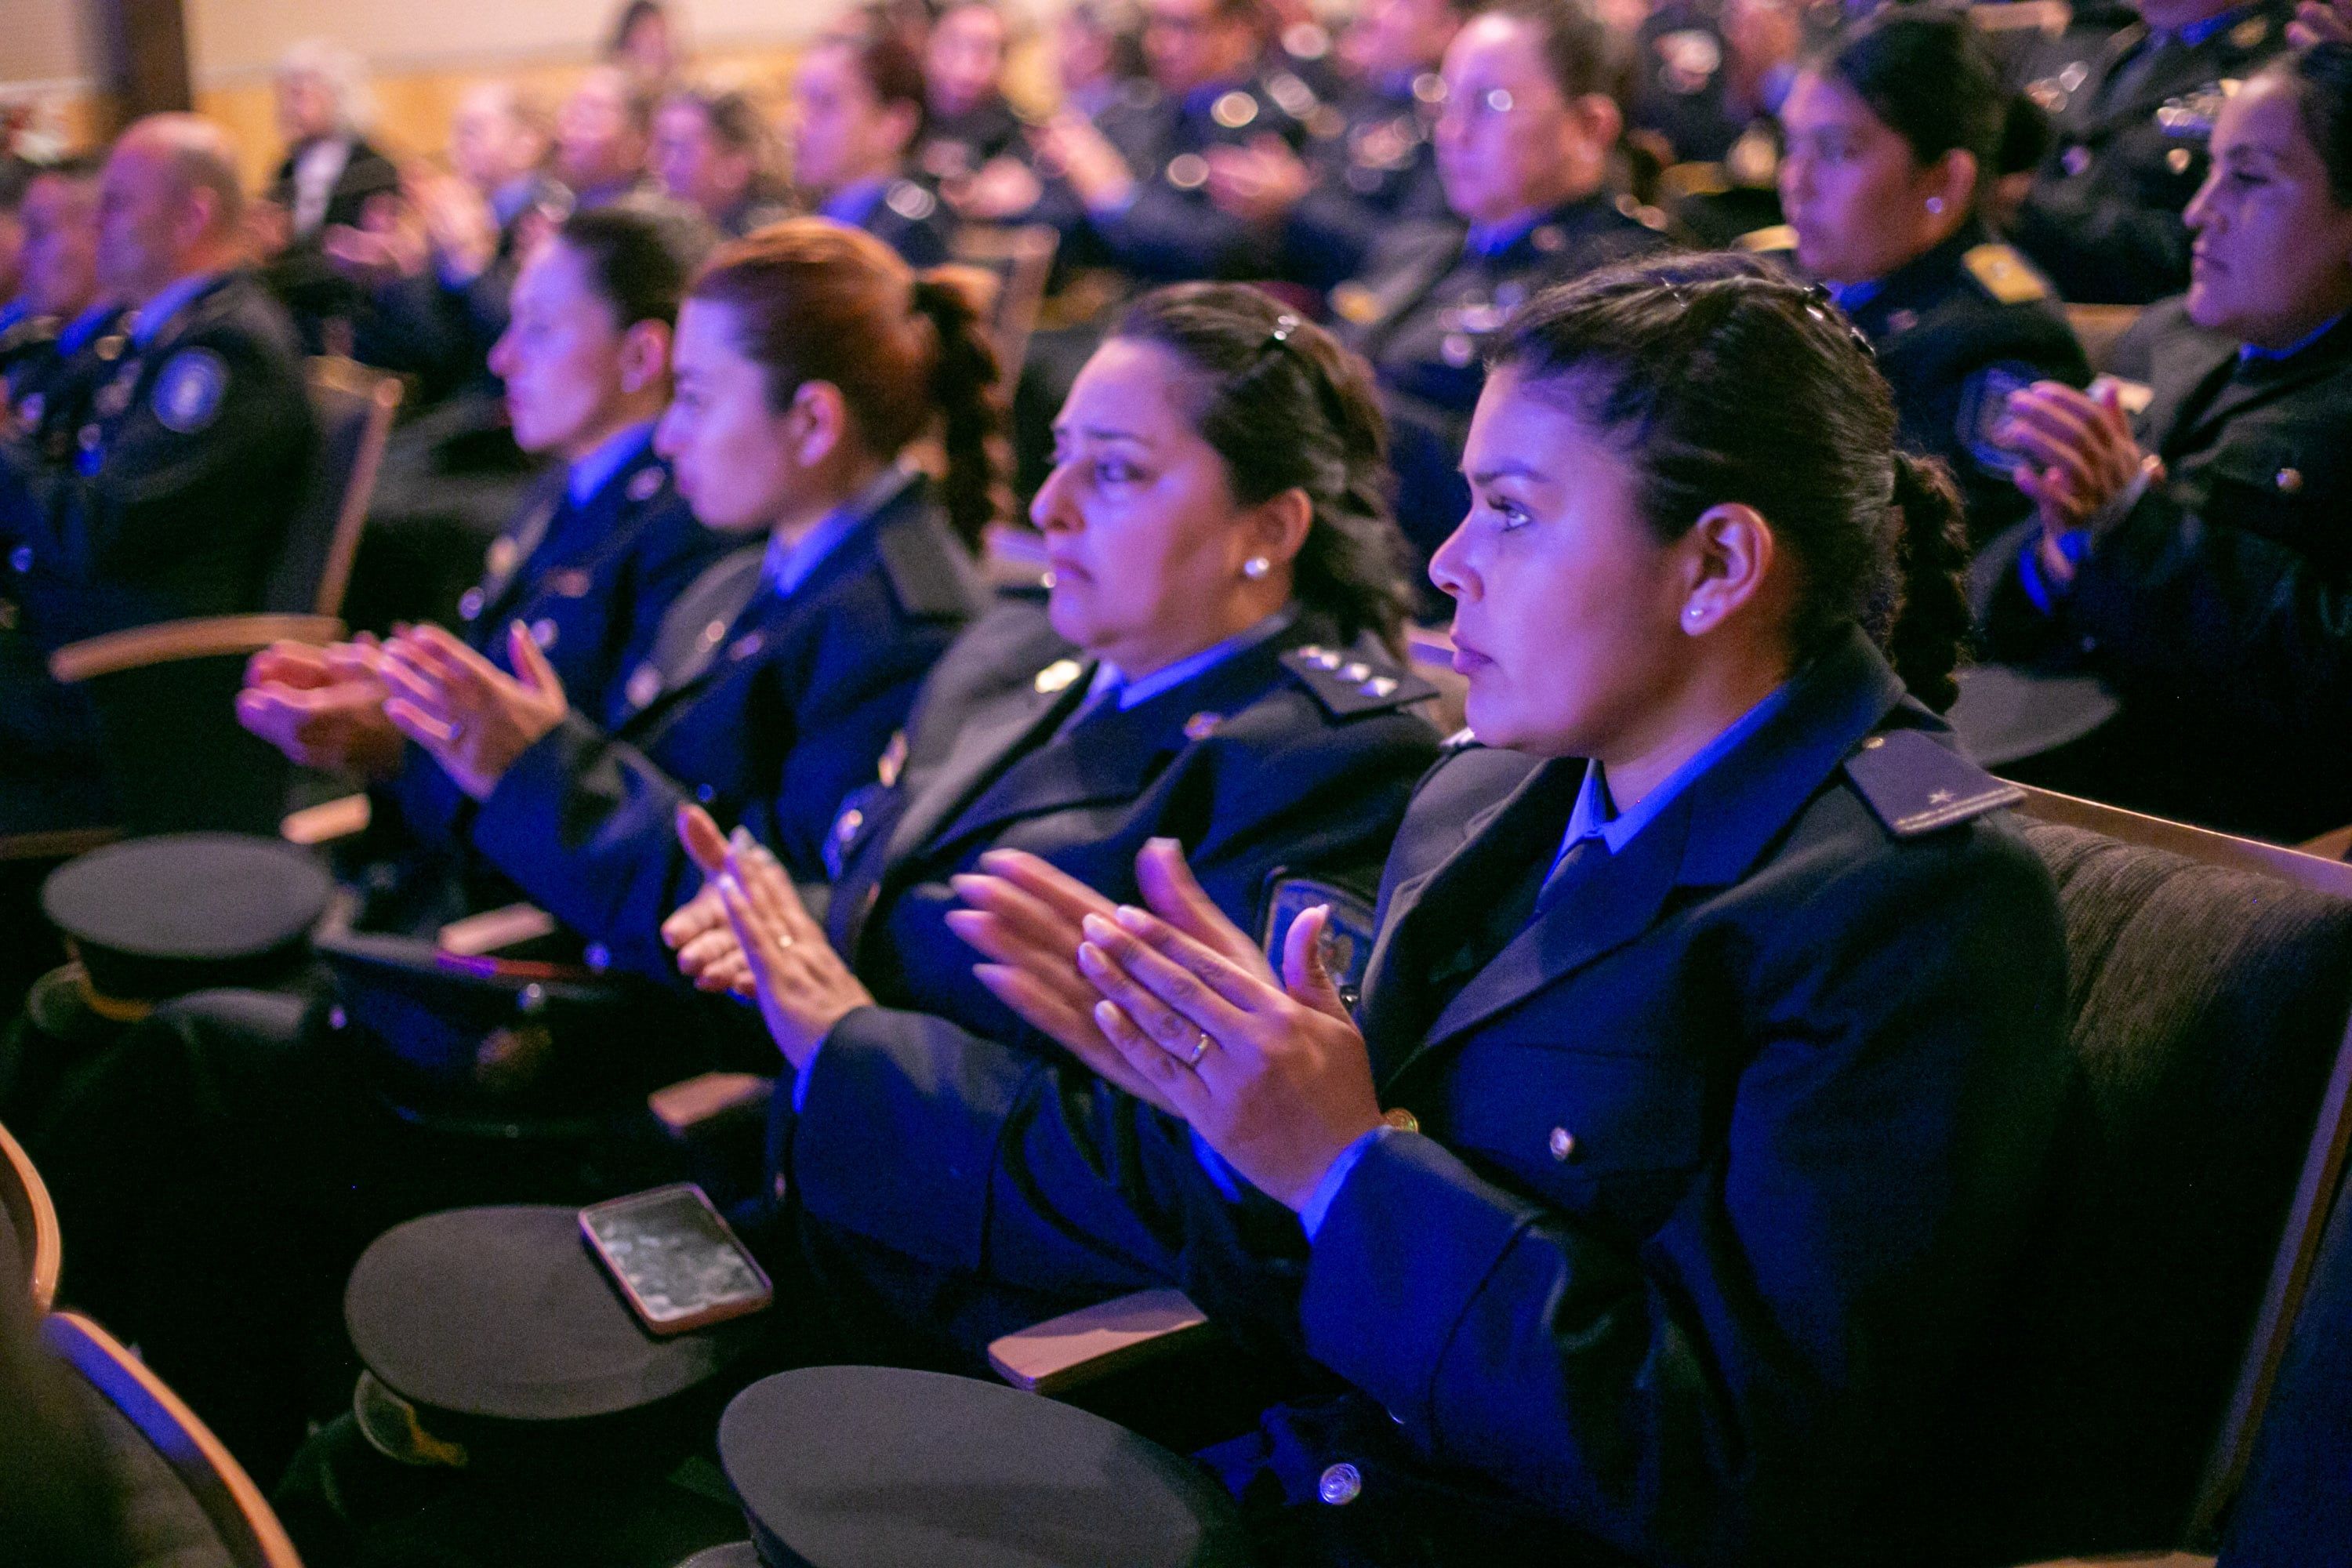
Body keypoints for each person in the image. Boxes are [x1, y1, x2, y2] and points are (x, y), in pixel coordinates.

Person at [912, 255, 2071, 1564]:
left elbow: (1734, 1467)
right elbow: (1291, 1306)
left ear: (1718, 563)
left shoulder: (1911, 904)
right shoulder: (1486, 796)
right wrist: (1227, 1115)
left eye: (1513, 512)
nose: (1452, 564)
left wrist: (1344, 1169)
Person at [30, 216, 1000, 1475]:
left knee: (191, 1077)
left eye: (698, 397)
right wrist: (430, 748)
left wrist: (518, 764)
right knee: (162, 1100)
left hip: (617, 1063)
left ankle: (113, 1460)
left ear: (811, 425)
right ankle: (118, 1440)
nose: (668, 427)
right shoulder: (765, 571)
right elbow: (578, 809)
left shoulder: (897, 624)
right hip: (539, 969)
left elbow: (788, 937)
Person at [1980, 42, 2352, 844]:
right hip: (2055, 737)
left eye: (2249, 178)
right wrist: (2061, 552)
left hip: (2215, 834)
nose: (2198, 210)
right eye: (2210, 170)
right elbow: (2002, 588)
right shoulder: (2171, 335)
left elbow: (2335, 673)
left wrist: (2133, 524)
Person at [0, 114, 314, 833]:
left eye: (118, 203)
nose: (100, 224)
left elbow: (99, 532)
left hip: (140, 688)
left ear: (191, 216)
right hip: (87, 646)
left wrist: (4, 447)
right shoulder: (166, 335)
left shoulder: (222, 351)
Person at [1328, 0, 1671, 565]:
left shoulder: (1620, 286)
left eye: (1490, 103)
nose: (1453, 132)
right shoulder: (1422, 246)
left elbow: (1546, 487)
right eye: (1444, 103)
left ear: (1588, 127)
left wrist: (1352, 408)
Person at [1771, 8, 2090, 546]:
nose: (1795, 182)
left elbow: (1958, 581)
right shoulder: (1808, 284)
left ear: (1945, 180)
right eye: (1792, 145)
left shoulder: (1999, 343)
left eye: (1837, 151)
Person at [2012, 0, 2292, 303]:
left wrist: (2025, 205)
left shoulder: (2282, 69)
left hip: (2160, 323)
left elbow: (2195, 248)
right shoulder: (2119, 42)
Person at [1203, 0, 1466, 289]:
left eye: (1402, 6)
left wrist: (1297, 203)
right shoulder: (1359, 98)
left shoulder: (1445, 127)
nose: (1376, 15)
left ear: (1447, 29)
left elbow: (1417, 253)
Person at [789, 27, 956, 266]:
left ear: (895, 124)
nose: (798, 124)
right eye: (800, 102)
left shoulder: (907, 232)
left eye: (825, 104)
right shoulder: (828, 216)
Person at [652, 84, 793, 238]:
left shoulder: (768, 242)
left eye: (680, 148)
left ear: (735, 162)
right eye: (661, 146)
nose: (664, 163)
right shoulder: (668, 230)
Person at [556, 66, 657, 212]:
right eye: (574, 110)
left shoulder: (647, 221)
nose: (572, 126)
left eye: (591, 113)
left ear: (635, 143)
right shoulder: (553, 208)